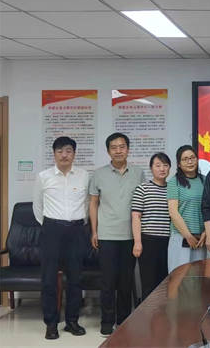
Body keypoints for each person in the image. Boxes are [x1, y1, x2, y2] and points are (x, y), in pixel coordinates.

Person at [89, 132, 145, 336]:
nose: (118, 150)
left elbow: (142, 204)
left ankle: (123, 320)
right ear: (108, 151)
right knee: (107, 281)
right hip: (107, 235)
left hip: (130, 236)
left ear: (128, 149)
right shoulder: (98, 174)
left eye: (122, 147)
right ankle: (106, 321)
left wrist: (140, 236)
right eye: (114, 147)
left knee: (126, 281)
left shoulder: (138, 173)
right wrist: (94, 231)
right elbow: (93, 204)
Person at [33, 136, 89, 339]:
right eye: (60, 151)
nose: (64, 155)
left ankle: (72, 321)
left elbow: (87, 204)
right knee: (48, 279)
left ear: (74, 153)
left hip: (76, 231)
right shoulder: (43, 176)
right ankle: (51, 323)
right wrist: (51, 226)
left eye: (68, 151)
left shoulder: (84, 176)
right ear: (54, 154)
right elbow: (37, 206)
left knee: (75, 278)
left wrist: (78, 223)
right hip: (52, 231)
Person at [131, 152, 172, 300]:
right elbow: (136, 217)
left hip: (169, 242)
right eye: (158, 165)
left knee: (166, 282)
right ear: (151, 168)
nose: (162, 169)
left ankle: (163, 313)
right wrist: (137, 242)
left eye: (165, 165)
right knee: (148, 283)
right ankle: (148, 313)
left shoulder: (173, 189)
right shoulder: (142, 189)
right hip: (148, 241)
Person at [167, 145, 208, 271]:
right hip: (181, 237)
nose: (190, 161)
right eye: (185, 159)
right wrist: (188, 236)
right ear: (179, 164)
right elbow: (173, 212)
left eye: (192, 158)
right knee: (179, 276)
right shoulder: (174, 182)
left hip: (201, 239)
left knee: (198, 277)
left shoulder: (205, 180)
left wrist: (206, 232)